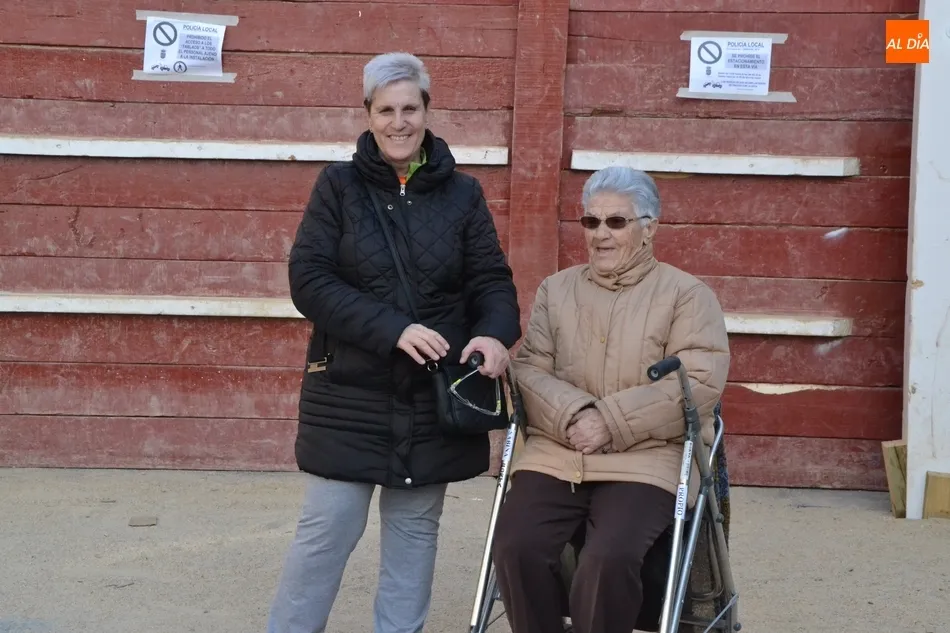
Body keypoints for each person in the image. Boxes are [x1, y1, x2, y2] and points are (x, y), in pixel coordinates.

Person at [268, 52, 521, 633]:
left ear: (428, 112)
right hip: (349, 395)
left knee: (413, 540)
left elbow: (491, 281)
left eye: (411, 108)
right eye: (386, 109)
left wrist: (495, 333)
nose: (399, 122)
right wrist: (393, 329)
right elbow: (309, 280)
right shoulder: (337, 186)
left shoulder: (464, 194)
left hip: (433, 399)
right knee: (325, 535)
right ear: (367, 114)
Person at [491, 165, 730, 633]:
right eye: (591, 221)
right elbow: (529, 369)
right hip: (559, 453)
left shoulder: (687, 295)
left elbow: (698, 381)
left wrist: (611, 420)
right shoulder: (556, 290)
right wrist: (576, 414)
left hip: (646, 459)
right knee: (515, 546)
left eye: (616, 222)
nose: (601, 234)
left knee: (608, 558)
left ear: (649, 229)